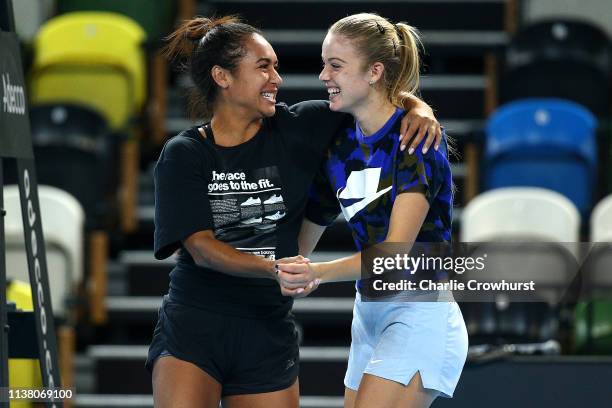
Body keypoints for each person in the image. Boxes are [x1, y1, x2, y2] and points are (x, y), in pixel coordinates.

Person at [145, 15, 443, 408]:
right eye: (263, 67)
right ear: (223, 77)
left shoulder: (304, 125)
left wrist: (418, 107)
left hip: (268, 329)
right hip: (195, 324)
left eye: (276, 66)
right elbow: (201, 249)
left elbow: (372, 94)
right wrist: (275, 269)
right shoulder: (184, 153)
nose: (277, 79)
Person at [277, 13, 469, 408]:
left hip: (420, 309)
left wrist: (317, 273)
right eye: (324, 63)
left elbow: (397, 256)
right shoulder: (339, 143)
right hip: (368, 314)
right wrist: (286, 270)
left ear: (374, 71)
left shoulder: (417, 141)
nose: (322, 76)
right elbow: (310, 227)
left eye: (336, 65)